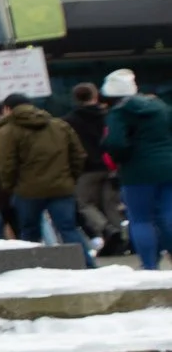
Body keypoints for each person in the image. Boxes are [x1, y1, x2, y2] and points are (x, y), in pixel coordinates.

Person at [0, 93, 90, 267]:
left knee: (29, 231)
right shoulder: (59, 125)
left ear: (7, 109)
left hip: (27, 189)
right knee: (68, 229)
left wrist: (10, 186)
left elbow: (6, 164)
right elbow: (78, 155)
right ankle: (86, 264)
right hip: (61, 187)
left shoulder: (7, 131)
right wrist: (70, 178)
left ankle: (31, 267)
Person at [103, 69, 172, 269]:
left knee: (141, 219)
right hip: (168, 167)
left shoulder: (119, 112)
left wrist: (122, 158)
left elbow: (115, 143)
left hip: (137, 172)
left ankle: (149, 266)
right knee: (168, 214)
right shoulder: (160, 107)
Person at [68, 81, 121, 249]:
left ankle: (106, 228)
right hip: (111, 166)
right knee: (110, 204)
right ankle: (122, 236)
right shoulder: (110, 116)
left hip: (87, 169)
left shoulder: (70, 120)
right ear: (96, 96)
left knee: (85, 203)